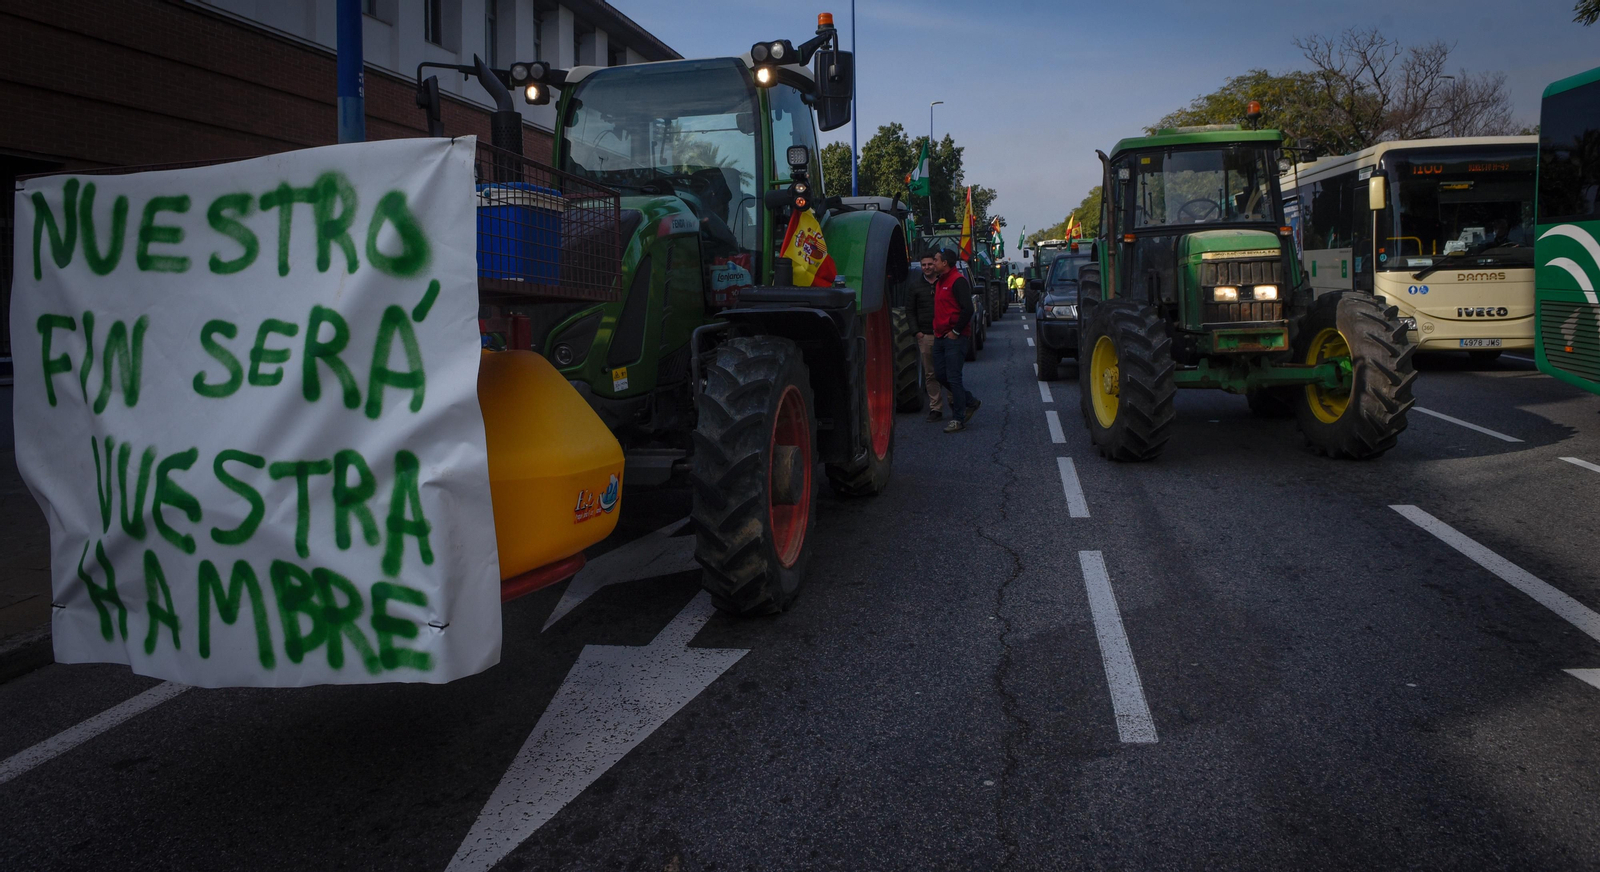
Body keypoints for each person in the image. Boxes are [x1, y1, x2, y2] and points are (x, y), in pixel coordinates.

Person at [931, 248, 980, 432]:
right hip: (940, 336)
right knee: (940, 375)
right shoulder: (939, 281)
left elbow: (968, 309)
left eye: (935, 260)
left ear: (945, 263)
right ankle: (970, 401)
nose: (933, 263)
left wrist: (956, 331)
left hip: (954, 338)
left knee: (953, 377)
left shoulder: (957, 281)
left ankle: (958, 419)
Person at [906, 252, 945, 421]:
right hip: (926, 335)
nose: (927, 268)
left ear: (936, 265)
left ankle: (954, 403)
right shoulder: (915, 286)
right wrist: (917, 332)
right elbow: (910, 311)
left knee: (949, 371)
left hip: (945, 334)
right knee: (930, 373)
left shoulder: (944, 283)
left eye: (930, 264)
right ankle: (935, 408)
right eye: (924, 265)